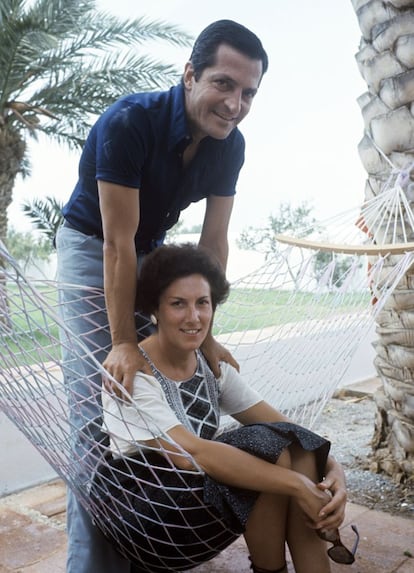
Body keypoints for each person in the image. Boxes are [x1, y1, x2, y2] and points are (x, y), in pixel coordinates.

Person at [55, 19, 268, 573]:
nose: (235, 104)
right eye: (224, 84)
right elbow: (116, 244)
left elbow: (214, 244)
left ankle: (153, 546)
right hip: (92, 243)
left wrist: (209, 339)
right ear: (190, 75)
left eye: (248, 93)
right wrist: (124, 342)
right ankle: (92, 566)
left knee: (178, 396)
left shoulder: (230, 145)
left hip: (149, 247)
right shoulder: (131, 122)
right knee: (99, 410)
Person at [90, 243, 356, 573]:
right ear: (154, 309)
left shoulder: (210, 365)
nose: (194, 317)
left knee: (294, 450)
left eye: (203, 303)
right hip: (144, 512)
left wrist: (334, 471)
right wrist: (297, 486)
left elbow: (290, 430)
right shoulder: (132, 374)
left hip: (197, 495)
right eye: (178, 304)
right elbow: (190, 454)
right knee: (268, 453)